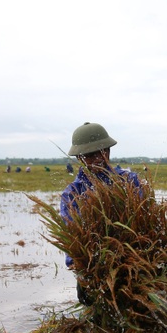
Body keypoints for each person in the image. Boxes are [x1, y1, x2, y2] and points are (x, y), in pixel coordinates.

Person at [60, 121, 141, 305]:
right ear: (80, 158)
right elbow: (71, 236)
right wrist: (79, 267)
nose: (96, 159)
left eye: (100, 152)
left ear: (108, 151)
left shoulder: (128, 181)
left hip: (135, 261)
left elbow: (145, 216)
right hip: (96, 269)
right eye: (88, 155)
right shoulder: (72, 193)